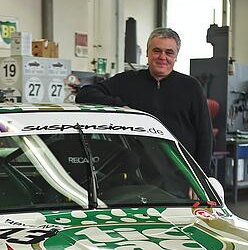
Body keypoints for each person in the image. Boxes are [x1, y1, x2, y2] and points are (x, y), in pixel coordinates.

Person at [76, 27, 212, 173]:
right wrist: (120, 106)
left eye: (169, 52)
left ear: (176, 56)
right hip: (138, 174)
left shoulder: (191, 87)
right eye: (157, 51)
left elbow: (205, 135)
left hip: (181, 175)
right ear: (147, 53)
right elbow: (85, 94)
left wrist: (201, 175)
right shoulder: (127, 81)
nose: (162, 57)